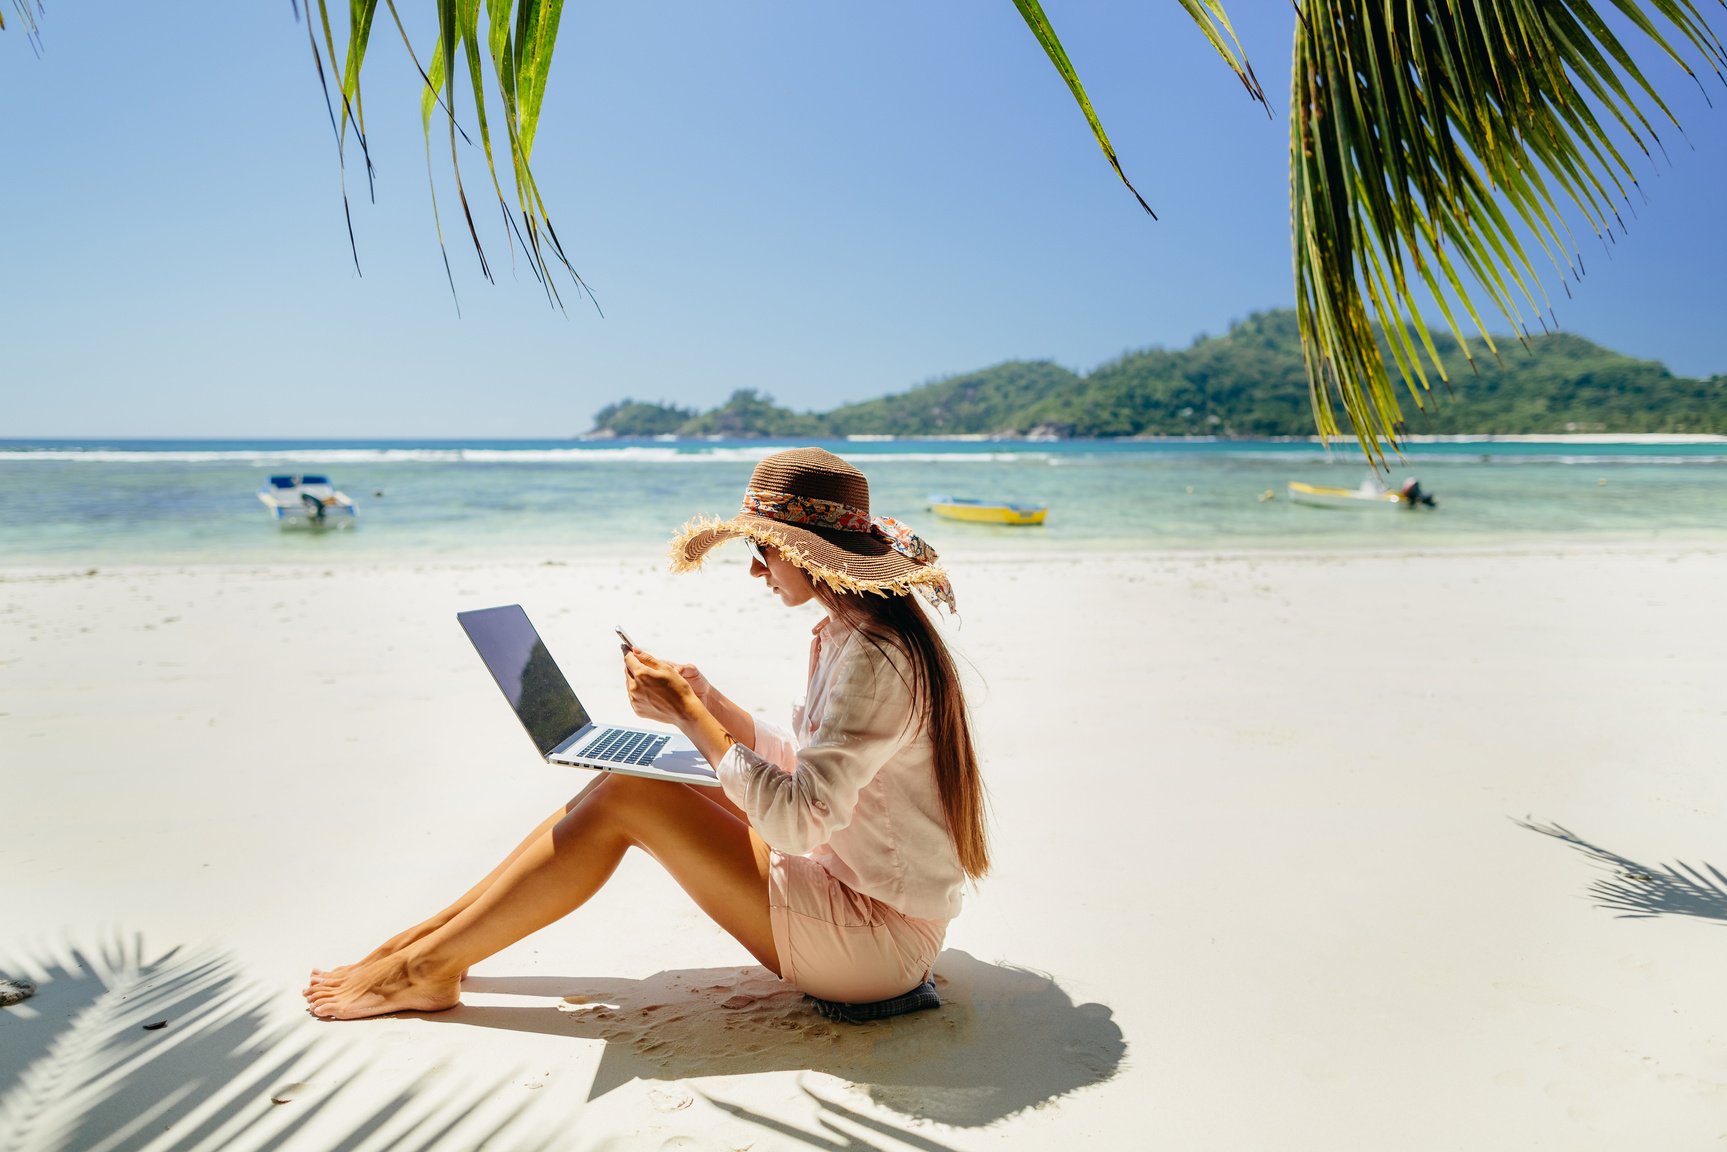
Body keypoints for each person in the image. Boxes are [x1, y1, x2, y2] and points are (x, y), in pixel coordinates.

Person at [303, 447, 989, 1020]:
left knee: (636, 794)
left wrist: (689, 717)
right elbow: (816, 772)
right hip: (861, 893)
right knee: (627, 782)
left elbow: (799, 824)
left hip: (874, 947)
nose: (755, 568)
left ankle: (425, 966)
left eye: (763, 549)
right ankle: (424, 945)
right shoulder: (853, 633)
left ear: (808, 553)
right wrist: (710, 700)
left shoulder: (873, 655)